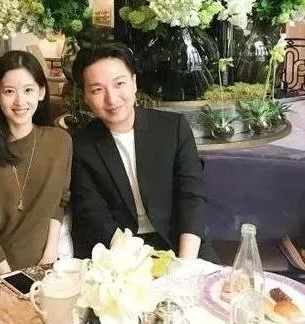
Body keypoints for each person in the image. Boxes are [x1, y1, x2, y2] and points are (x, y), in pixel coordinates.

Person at [69, 42, 215, 261]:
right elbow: (93, 212)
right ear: (86, 97)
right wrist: (136, 262)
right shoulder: (81, 144)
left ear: (134, 83)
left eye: (119, 84)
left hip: (179, 242)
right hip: (119, 250)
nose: (111, 99)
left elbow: (191, 195)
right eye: (97, 90)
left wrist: (186, 264)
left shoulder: (173, 128)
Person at [0, 51, 71, 282]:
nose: (20, 102)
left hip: (49, 267)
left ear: (41, 92)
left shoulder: (60, 142)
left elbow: (59, 202)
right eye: (9, 91)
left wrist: (48, 259)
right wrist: (12, 279)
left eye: (28, 90)